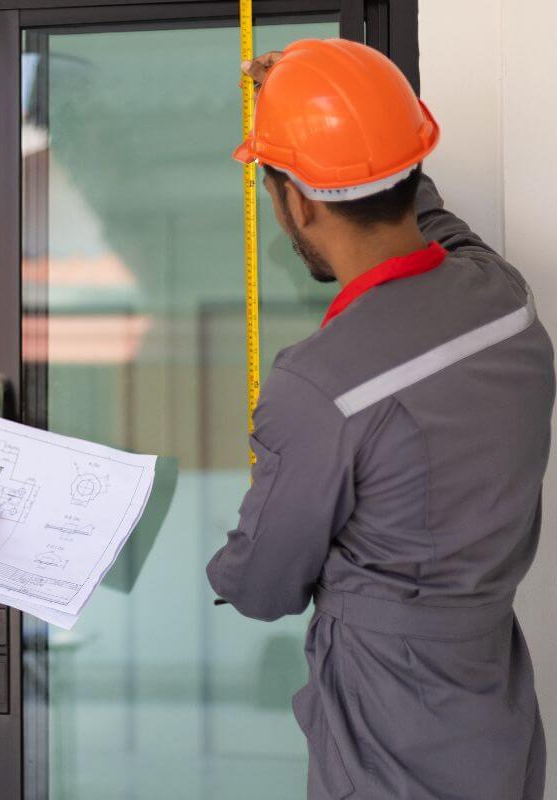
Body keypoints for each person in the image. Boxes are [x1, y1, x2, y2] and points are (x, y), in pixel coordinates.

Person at [207, 40, 553, 799]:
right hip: (492, 695)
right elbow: (435, 224)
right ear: (409, 167)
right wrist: (335, 118)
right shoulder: (505, 299)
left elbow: (262, 587)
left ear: (295, 202)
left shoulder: (317, 384)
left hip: (390, 723)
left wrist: (235, 551)